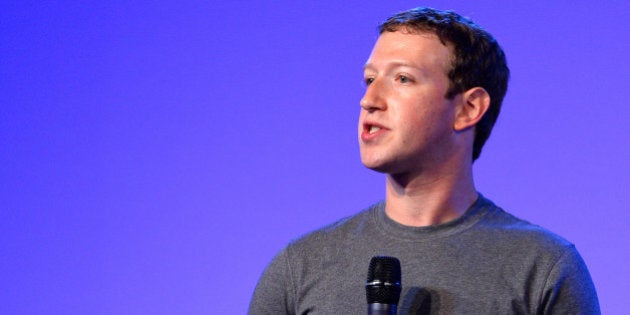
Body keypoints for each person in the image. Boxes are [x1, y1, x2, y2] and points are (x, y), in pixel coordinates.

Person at [249, 7, 599, 314]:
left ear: (468, 108)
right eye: (369, 79)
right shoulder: (300, 267)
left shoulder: (543, 268)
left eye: (402, 78)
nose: (369, 99)